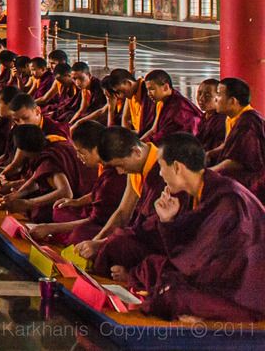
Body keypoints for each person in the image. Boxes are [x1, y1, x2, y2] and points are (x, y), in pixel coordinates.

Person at [128, 132, 265, 322]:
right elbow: (193, 253)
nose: (160, 174)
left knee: (173, 295)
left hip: (245, 295)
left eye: (160, 166)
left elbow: (201, 263)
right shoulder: (203, 190)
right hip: (218, 279)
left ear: (176, 167)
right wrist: (168, 221)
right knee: (154, 267)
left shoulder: (228, 200)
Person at [74, 127, 165, 276]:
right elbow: (123, 212)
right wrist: (96, 241)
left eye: (121, 165)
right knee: (92, 239)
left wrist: (101, 244)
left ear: (136, 152)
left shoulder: (162, 170)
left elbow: (154, 229)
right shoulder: (137, 166)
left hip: (159, 242)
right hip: (140, 232)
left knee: (115, 246)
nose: (120, 172)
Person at [28, 119, 127, 246]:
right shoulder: (104, 165)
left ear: (97, 149)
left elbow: (97, 220)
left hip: (105, 223)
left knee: (79, 235)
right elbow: (96, 194)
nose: (79, 157)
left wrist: (50, 228)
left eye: (81, 153)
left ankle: (64, 235)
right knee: (59, 209)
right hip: (95, 214)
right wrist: (76, 202)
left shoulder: (116, 174)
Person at [207, 77, 265, 199]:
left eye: (219, 94)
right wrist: (209, 154)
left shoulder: (249, 122)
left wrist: (212, 171)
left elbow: (241, 160)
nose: (215, 99)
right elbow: (228, 145)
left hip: (255, 179)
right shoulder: (232, 118)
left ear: (232, 101)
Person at [140, 70, 201, 143]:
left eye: (152, 89)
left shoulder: (179, 108)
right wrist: (139, 143)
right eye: (147, 90)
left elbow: (165, 136)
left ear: (165, 87)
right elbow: (154, 130)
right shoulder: (162, 102)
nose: (148, 93)